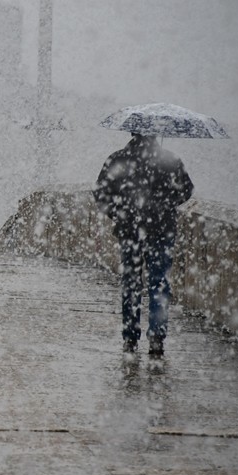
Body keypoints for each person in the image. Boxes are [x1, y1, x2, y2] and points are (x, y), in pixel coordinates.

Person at [93, 133, 194, 356]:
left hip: (130, 232)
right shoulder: (170, 160)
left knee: (131, 283)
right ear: (156, 134)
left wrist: (120, 214)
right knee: (158, 283)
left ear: (132, 133)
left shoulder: (118, 159)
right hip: (161, 231)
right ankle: (157, 336)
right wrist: (164, 205)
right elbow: (186, 190)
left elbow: (101, 194)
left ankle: (130, 337)